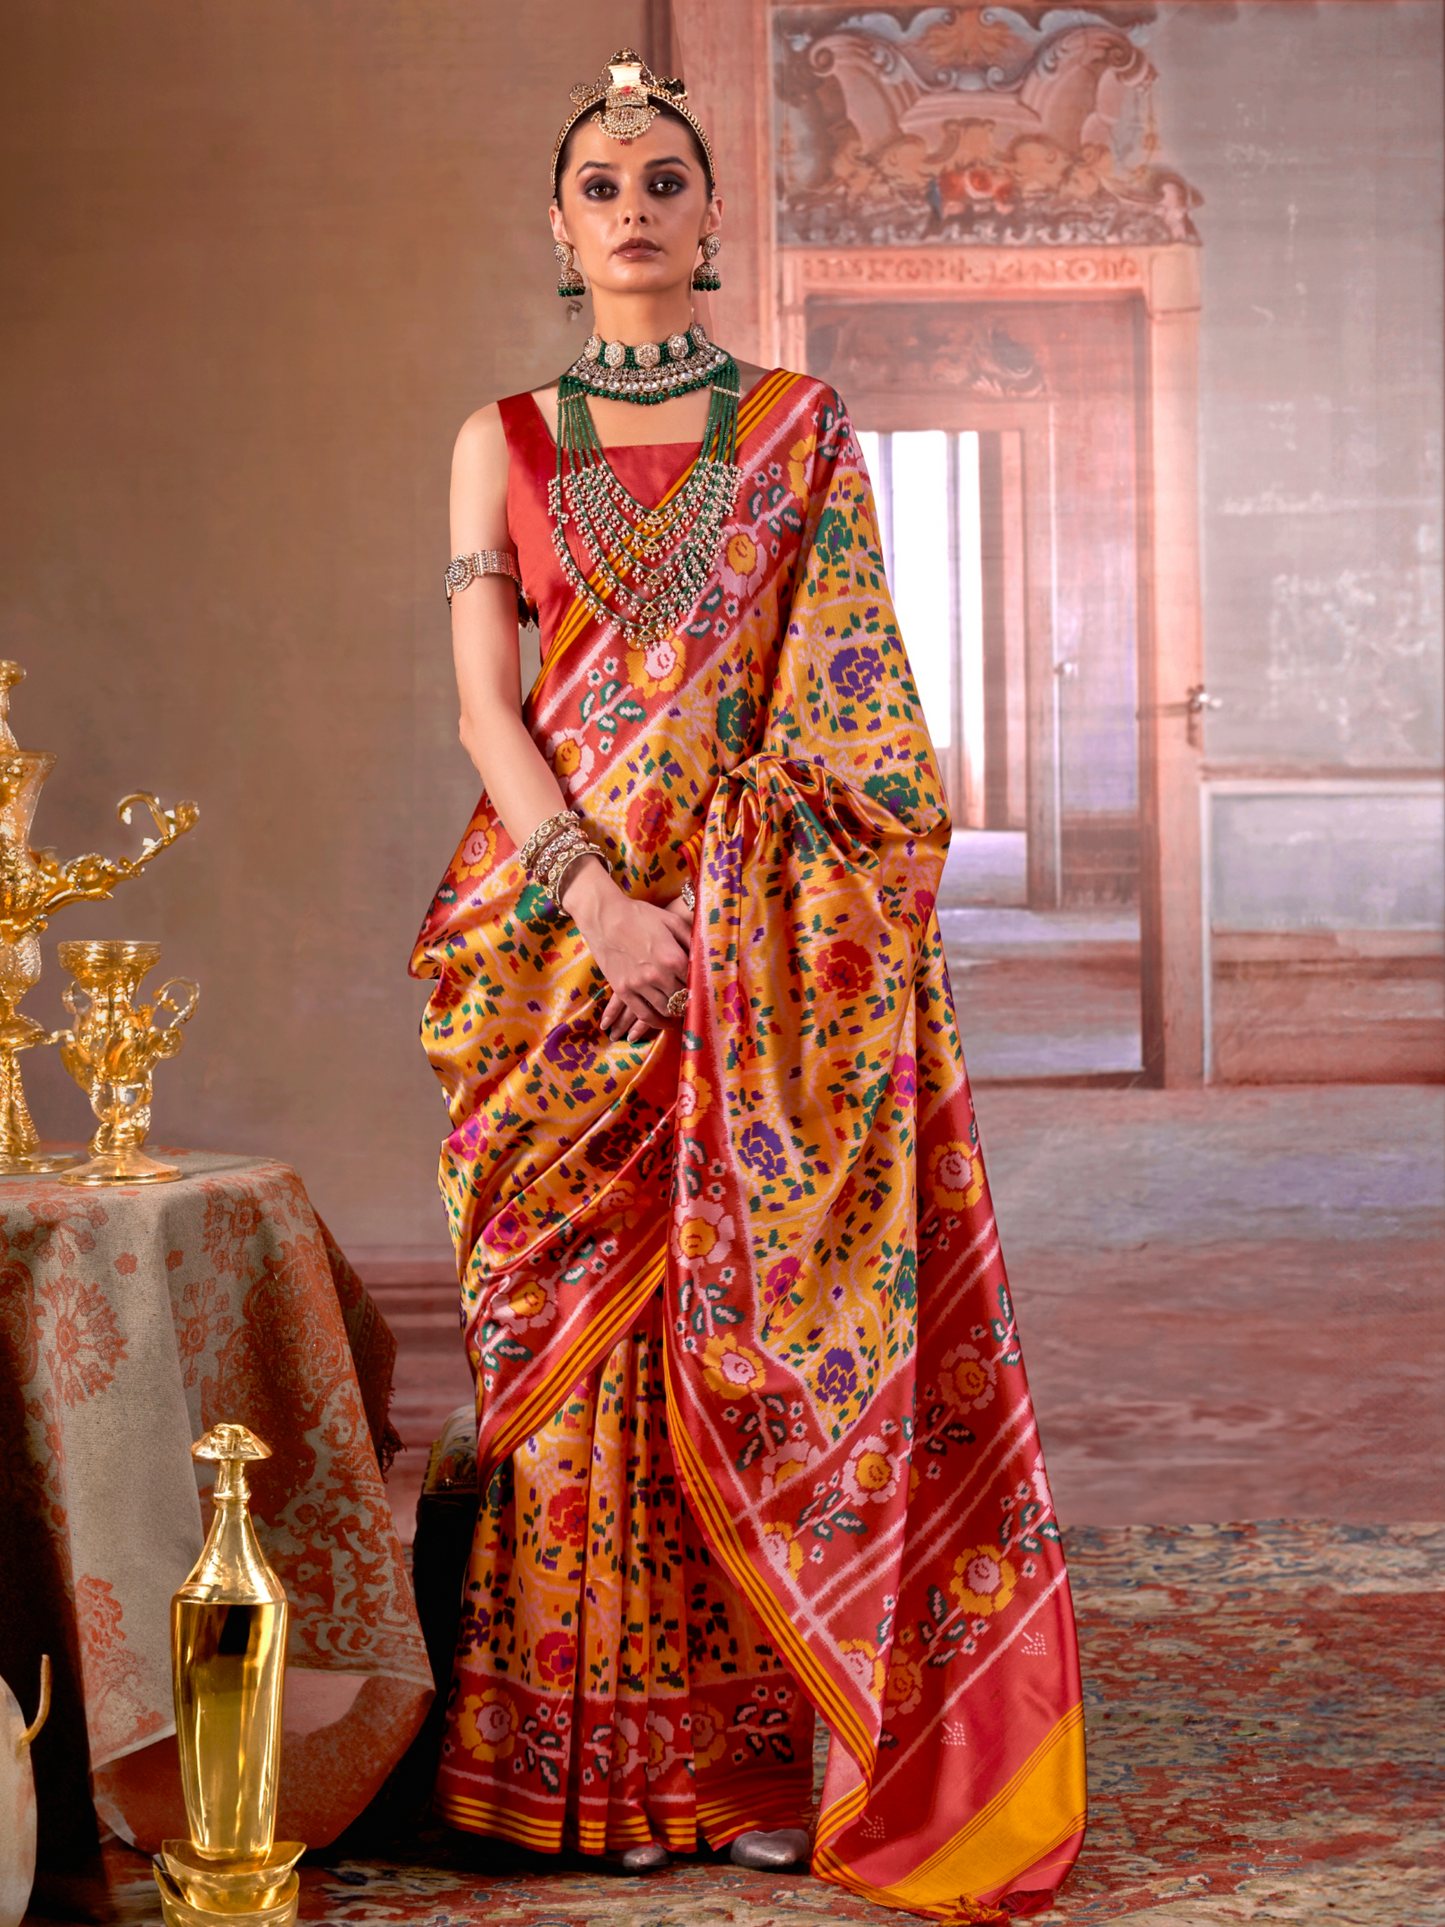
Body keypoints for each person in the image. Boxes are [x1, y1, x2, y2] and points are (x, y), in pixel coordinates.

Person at [412, 49, 1086, 1918]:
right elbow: (489, 702)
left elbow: (852, 705)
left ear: (711, 223)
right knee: (571, 1354)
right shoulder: (498, 436)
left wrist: (711, 922)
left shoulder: (798, 425)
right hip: (548, 953)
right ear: (558, 226)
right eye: (601, 179)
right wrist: (595, 903)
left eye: (666, 178)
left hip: (752, 954)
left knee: (762, 1326)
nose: (633, 204)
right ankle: (580, 1772)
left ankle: (768, 1750)